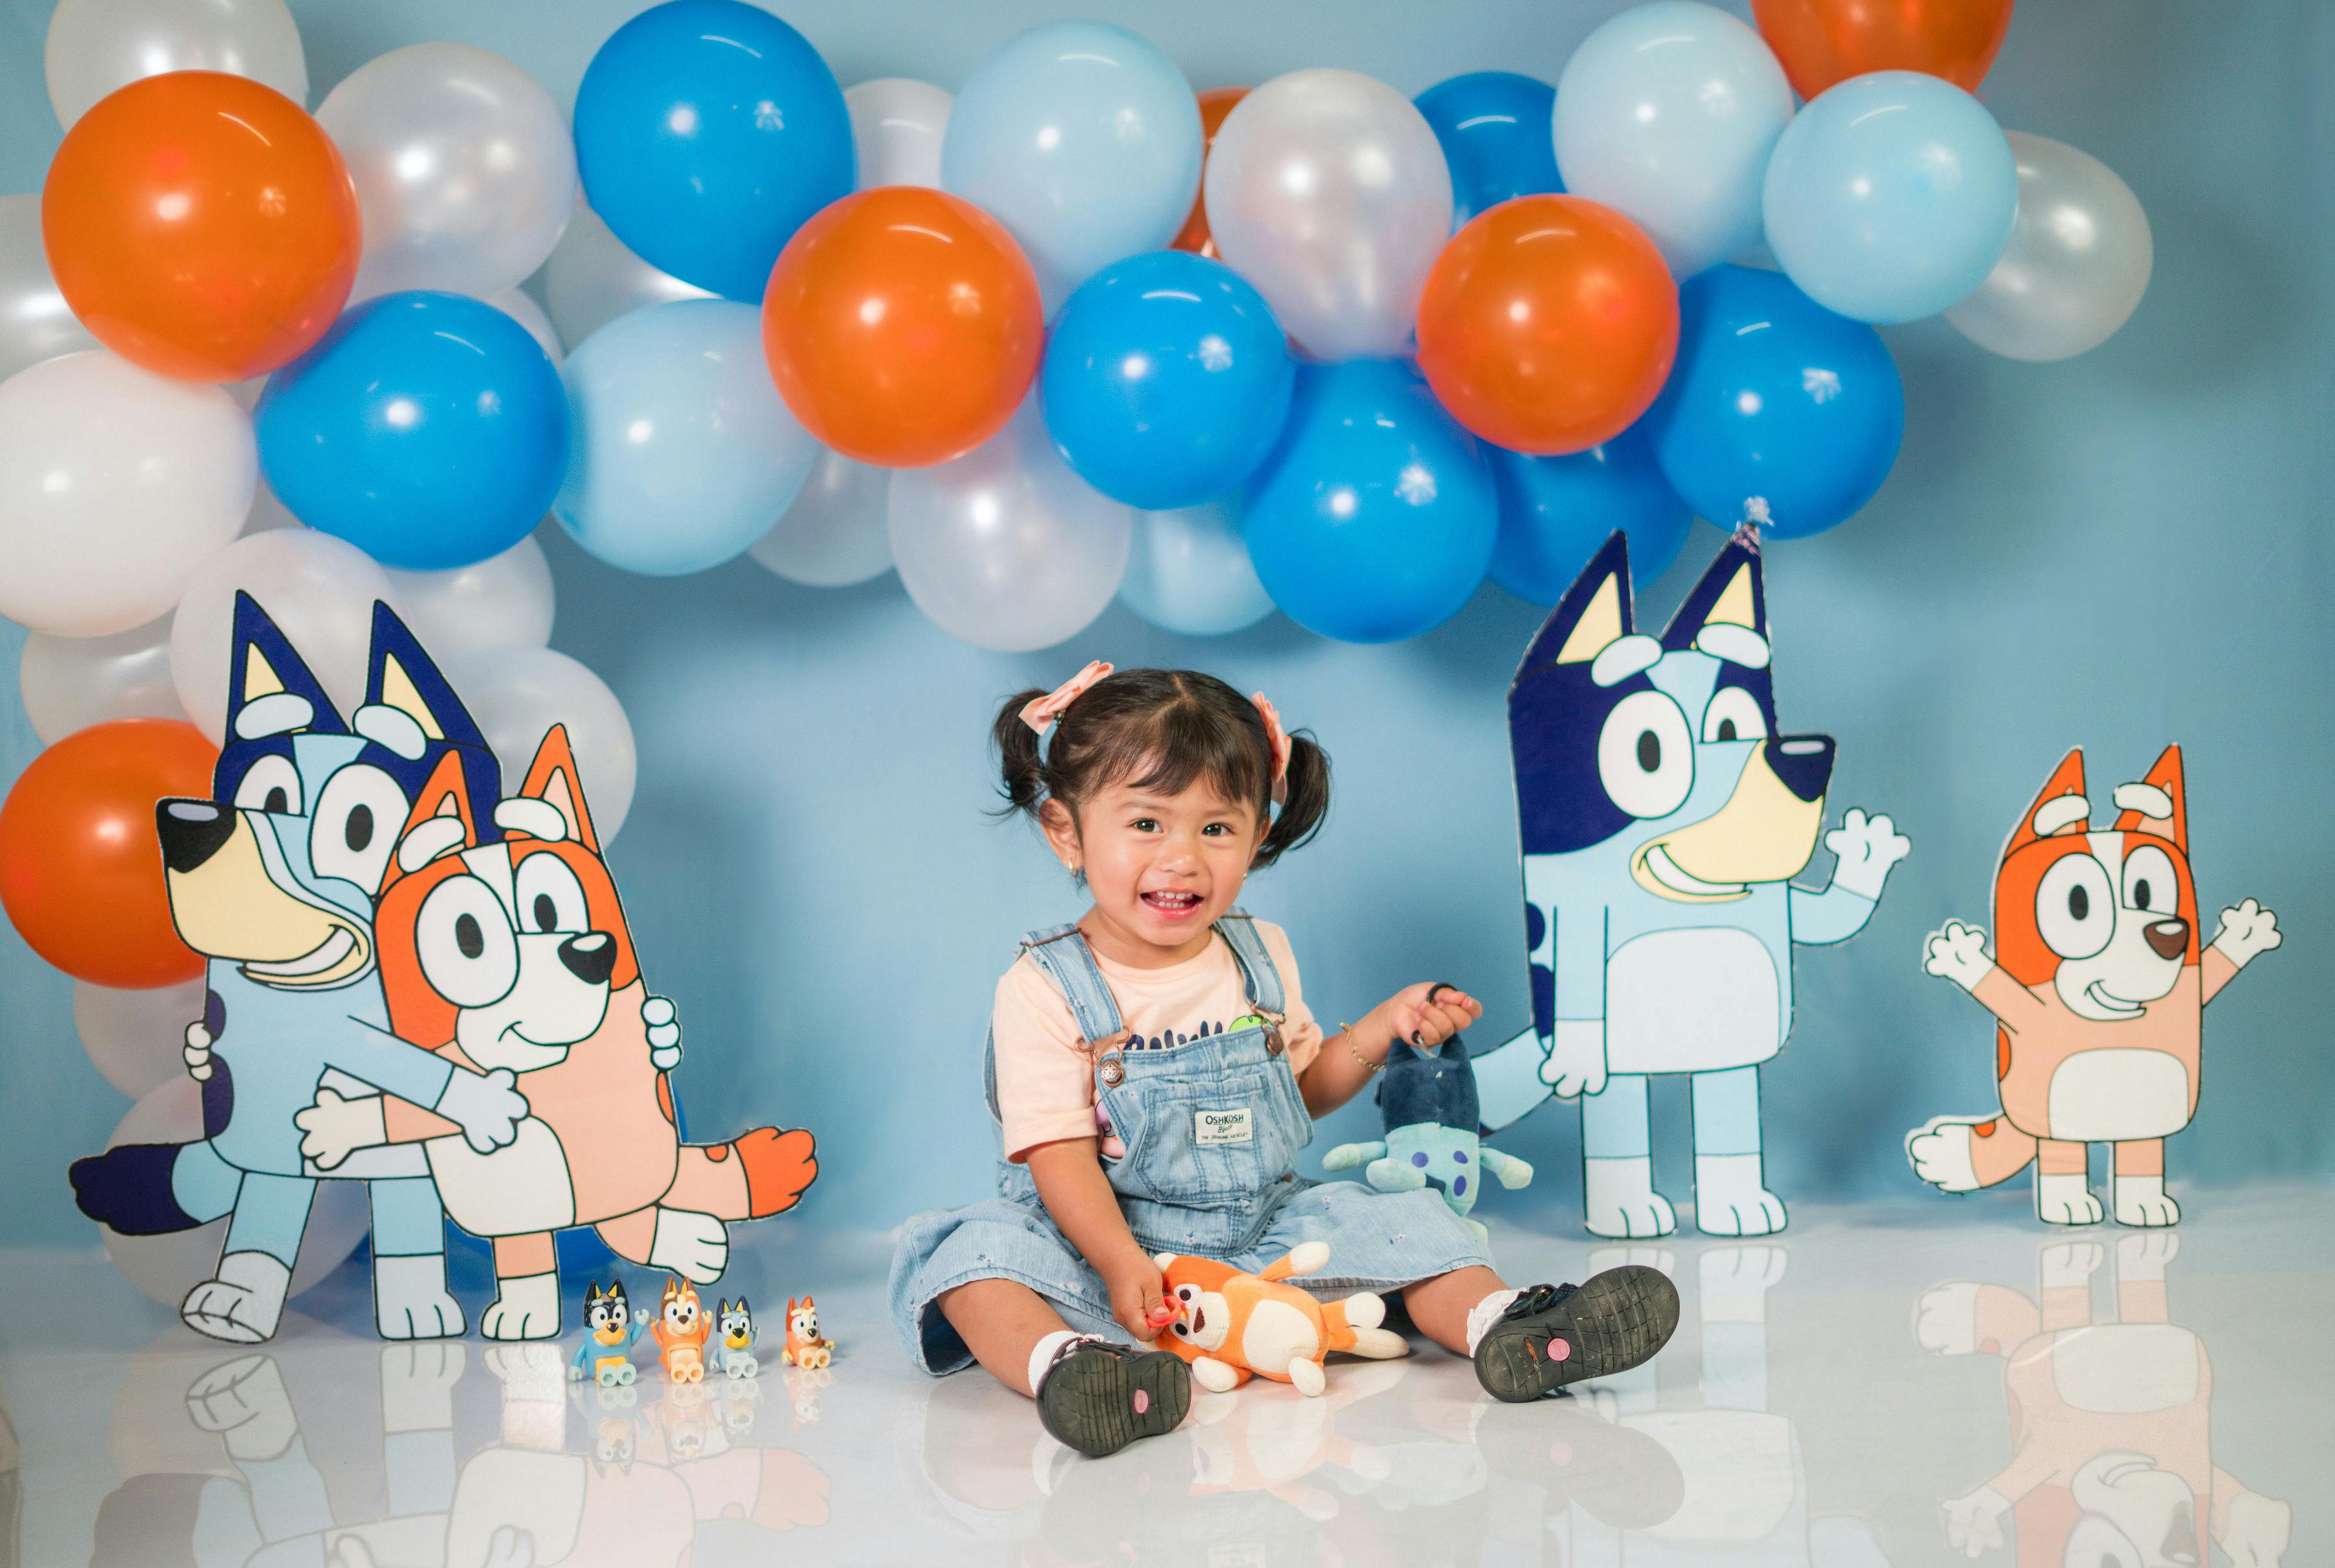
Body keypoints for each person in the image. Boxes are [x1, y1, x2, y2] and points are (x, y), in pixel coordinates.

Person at [889, 663, 1679, 1458]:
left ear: (1258, 833)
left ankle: (1510, 1327)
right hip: (1110, 1251)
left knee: (1414, 1223)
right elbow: (1057, 1155)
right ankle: (1073, 1367)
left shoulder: (1259, 954)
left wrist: (1381, 1029)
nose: (1183, 859)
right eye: (1145, 824)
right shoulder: (1044, 987)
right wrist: (1120, 1259)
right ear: (1067, 830)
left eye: (1216, 828)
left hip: (1269, 1238)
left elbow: (1299, 1090)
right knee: (973, 1259)